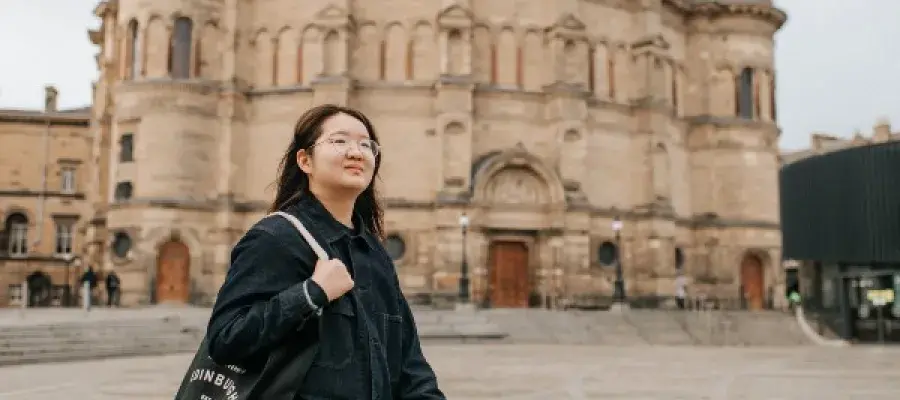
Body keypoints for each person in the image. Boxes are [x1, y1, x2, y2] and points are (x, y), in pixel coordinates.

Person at [205, 104, 445, 399]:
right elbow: (225, 339)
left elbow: (409, 362)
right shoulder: (276, 238)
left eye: (366, 144)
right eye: (339, 141)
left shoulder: (374, 252)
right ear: (305, 160)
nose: (356, 152)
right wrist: (311, 294)